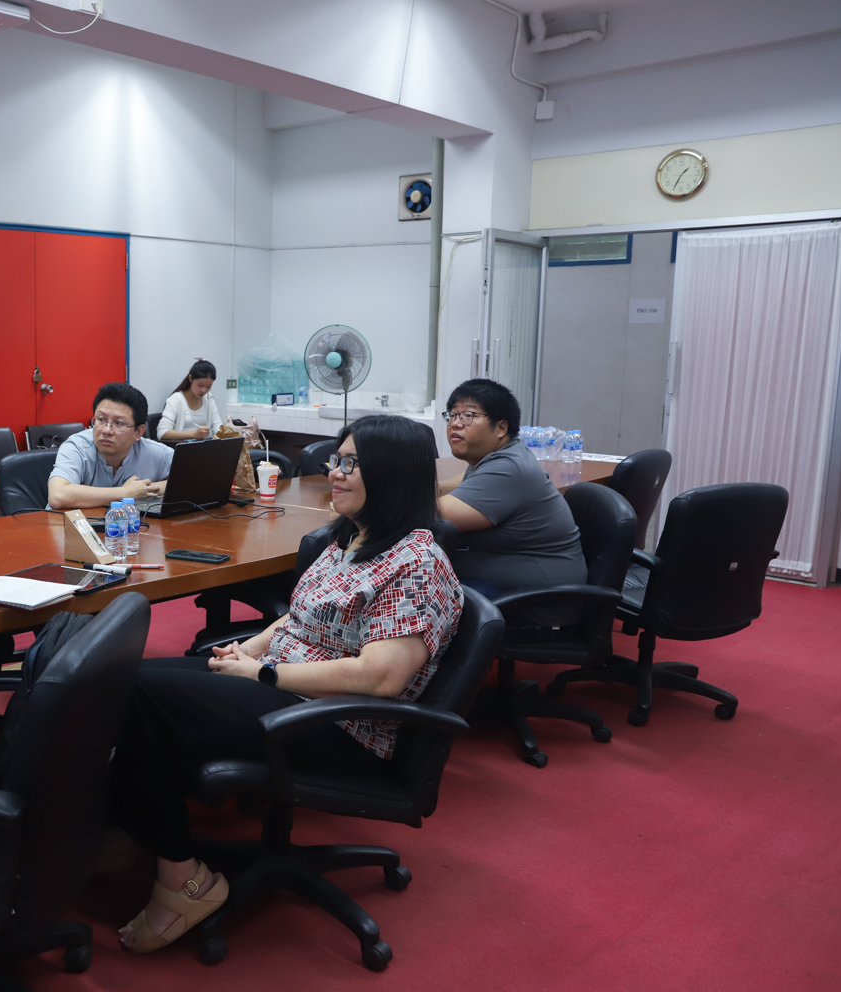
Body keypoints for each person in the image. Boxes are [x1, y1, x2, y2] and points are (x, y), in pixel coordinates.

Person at [107, 414, 463, 953]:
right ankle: (129, 827)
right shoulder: (353, 537)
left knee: (141, 694)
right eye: (337, 459)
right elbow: (299, 617)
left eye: (350, 464)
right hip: (283, 689)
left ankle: (182, 879)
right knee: (120, 680)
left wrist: (263, 672)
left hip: (336, 725)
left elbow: (381, 677)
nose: (334, 472)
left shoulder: (418, 564)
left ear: (392, 474)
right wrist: (250, 649)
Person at [435, 378, 585, 624]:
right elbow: (443, 488)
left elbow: (435, 515)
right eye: (452, 415)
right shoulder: (491, 460)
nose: (455, 424)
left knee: (417, 593)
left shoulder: (508, 469)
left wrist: (377, 500)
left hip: (536, 605)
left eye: (468, 416)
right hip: (508, 588)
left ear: (501, 428)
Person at [47, 382, 175, 511]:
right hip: (65, 523)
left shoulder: (156, 453)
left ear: (138, 432)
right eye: (101, 420)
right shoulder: (76, 447)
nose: (106, 430)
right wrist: (127, 492)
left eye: (119, 423)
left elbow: (187, 482)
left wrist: (144, 489)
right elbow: (58, 496)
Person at [157, 359, 223, 442]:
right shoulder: (176, 399)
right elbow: (162, 433)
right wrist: (194, 434)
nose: (203, 390)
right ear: (190, 378)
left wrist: (226, 435)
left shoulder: (208, 398)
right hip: (182, 447)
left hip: (205, 447)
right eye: (200, 385)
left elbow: (217, 425)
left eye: (208, 386)